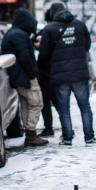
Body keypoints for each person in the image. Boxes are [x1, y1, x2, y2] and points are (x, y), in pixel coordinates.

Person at [39, 2, 96, 147]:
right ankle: (89, 137)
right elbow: (87, 46)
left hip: (60, 75)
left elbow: (44, 53)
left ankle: (67, 139)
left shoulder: (49, 29)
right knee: (84, 105)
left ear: (52, 14)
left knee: (64, 108)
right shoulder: (80, 24)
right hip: (79, 73)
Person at [1, 8, 48, 147]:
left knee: (26, 103)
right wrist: (33, 74)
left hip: (18, 76)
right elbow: (25, 56)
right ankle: (31, 134)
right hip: (24, 76)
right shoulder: (18, 35)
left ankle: (30, 132)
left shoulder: (14, 33)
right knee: (36, 103)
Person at [35, 9, 60, 137]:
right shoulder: (54, 30)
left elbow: (42, 49)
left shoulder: (50, 30)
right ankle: (63, 127)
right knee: (56, 101)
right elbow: (35, 37)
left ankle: (49, 127)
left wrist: (42, 42)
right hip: (52, 71)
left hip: (48, 71)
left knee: (52, 101)